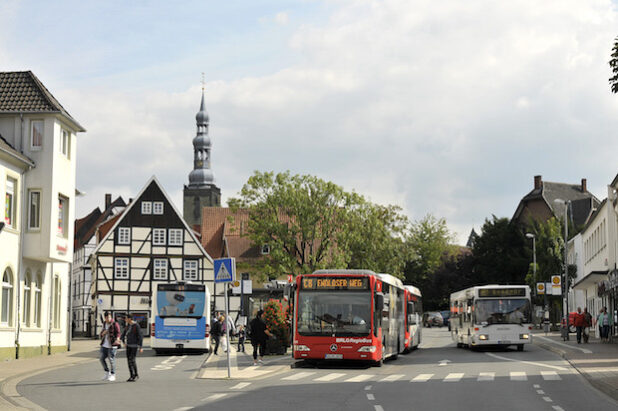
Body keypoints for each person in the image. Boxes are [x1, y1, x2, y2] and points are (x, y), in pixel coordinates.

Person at [99, 312, 121, 382]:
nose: (109, 319)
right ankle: (107, 372)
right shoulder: (104, 324)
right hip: (104, 345)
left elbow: (118, 332)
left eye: (109, 317)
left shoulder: (115, 323)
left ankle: (113, 374)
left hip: (112, 345)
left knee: (111, 360)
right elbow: (101, 333)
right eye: (107, 317)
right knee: (101, 359)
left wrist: (117, 339)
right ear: (105, 318)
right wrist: (103, 333)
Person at [121, 314, 143, 382]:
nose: (125, 319)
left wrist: (140, 347)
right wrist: (123, 342)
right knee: (128, 360)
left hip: (134, 345)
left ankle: (136, 375)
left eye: (126, 318)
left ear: (130, 319)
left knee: (132, 360)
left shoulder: (136, 325)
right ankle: (131, 375)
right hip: (128, 345)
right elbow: (123, 334)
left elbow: (140, 336)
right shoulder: (127, 326)